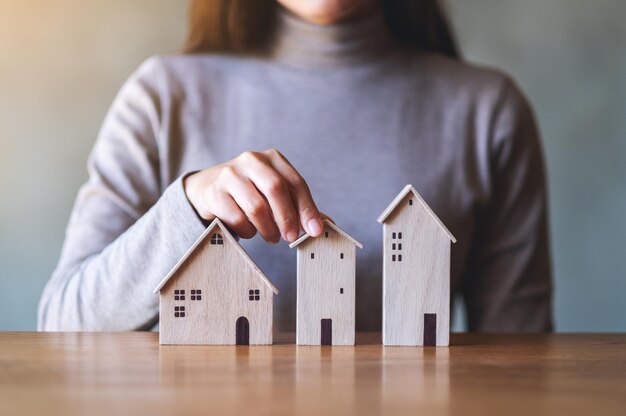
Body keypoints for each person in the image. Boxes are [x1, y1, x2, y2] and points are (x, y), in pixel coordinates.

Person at [38, 0, 553, 332]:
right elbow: (62, 325)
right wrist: (191, 203)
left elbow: (523, 368)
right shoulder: (162, 99)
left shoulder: (489, 114)